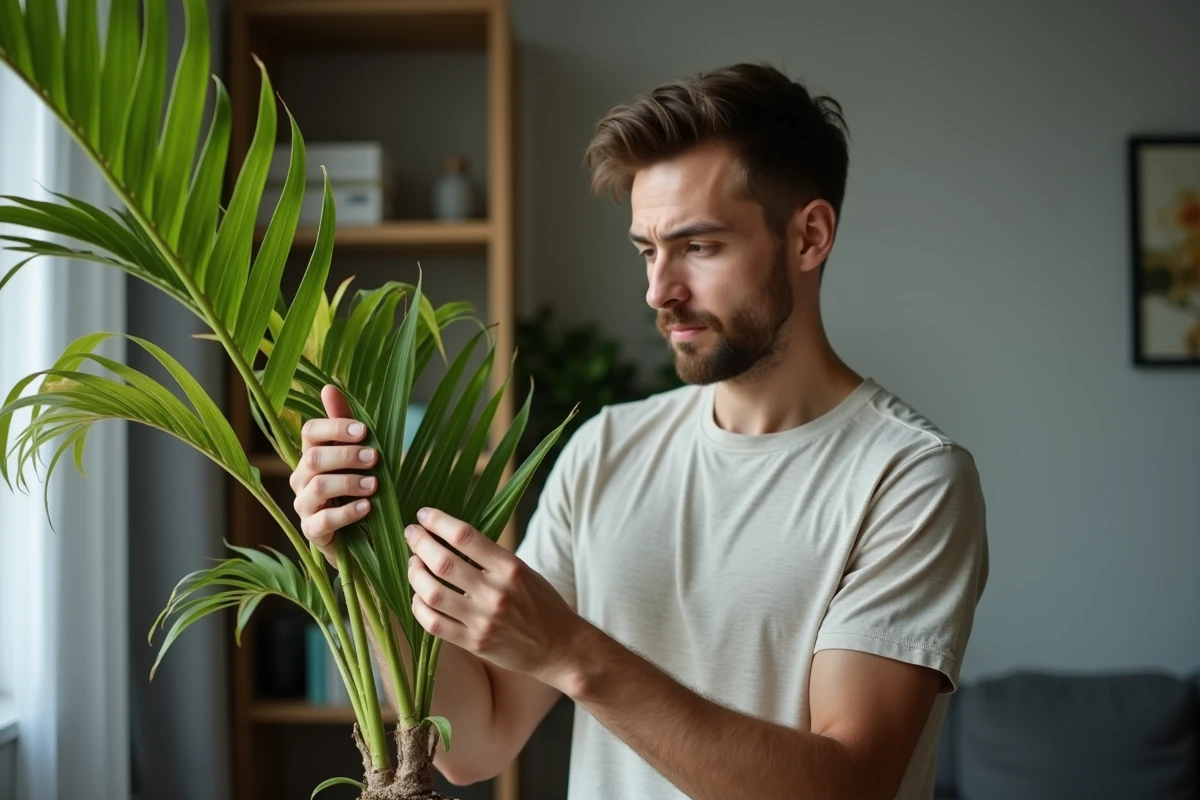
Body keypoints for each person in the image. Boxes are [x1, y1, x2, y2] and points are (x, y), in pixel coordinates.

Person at [289, 61, 989, 800]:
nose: (660, 290)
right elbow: (478, 740)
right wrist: (359, 553)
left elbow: (848, 786)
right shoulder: (604, 451)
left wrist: (572, 652)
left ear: (809, 236)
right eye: (647, 250)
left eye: (699, 246)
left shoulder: (910, 477)